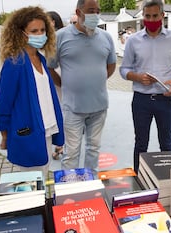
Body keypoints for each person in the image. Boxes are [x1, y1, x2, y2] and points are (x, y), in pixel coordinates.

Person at [119, 0, 171, 173]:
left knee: (166, 142)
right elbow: (124, 69)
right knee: (141, 143)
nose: (151, 19)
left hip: (165, 100)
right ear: (143, 16)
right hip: (141, 100)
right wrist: (137, 76)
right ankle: (139, 178)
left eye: (155, 16)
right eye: (147, 16)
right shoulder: (133, 41)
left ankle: (167, 179)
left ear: (162, 15)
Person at [0, 6, 64, 180]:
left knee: (43, 173)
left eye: (42, 30)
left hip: (46, 129)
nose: (39, 34)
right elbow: (4, 103)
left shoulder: (40, 58)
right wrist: (4, 135)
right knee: (31, 180)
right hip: (28, 132)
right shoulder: (14, 62)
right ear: (21, 33)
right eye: (34, 31)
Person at [48, 0, 117, 177]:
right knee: (71, 152)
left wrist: (96, 80)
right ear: (78, 12)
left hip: (99, 107)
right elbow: (50, 67)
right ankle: (69, 188)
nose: (95, 15)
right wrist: (64, 84)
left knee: (93, 150)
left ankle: (90, 183)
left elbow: (111, 65)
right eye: (91, 11)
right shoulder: (61, 37)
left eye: (98, 11)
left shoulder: (105, 37)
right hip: (73, 108)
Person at [47, 10, 65, 160]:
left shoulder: (60, 36)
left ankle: (61, 145)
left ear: (54, 21)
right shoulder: (45, 38)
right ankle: (59, 144)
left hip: (59, 74)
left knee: (61, 109)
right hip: (50, 77)